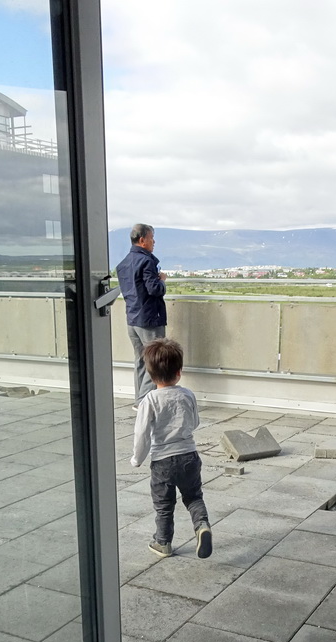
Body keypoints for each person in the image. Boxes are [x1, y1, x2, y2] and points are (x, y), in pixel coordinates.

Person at [130, 339, 212, 559]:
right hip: (189, 456)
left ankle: (163, 543)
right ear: (179, 372)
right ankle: (202, 525)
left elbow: (142, 434)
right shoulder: (187, 395)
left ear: (149, 374)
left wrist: (137, 459)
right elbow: (194, 422)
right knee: (193, 497)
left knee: (164, 505)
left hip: (163, 462)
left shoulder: (149, 400)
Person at [116, 223, 167, 409]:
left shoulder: (123, 264)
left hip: (132, 318)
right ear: (142, 240)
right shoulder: (147, 262)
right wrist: (162, 281)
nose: (154, 242)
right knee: (154, 360)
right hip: (149, 319)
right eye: (152, 238)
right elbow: (154, 290)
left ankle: (139, 400)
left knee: (140, 360)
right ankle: (145, 402)